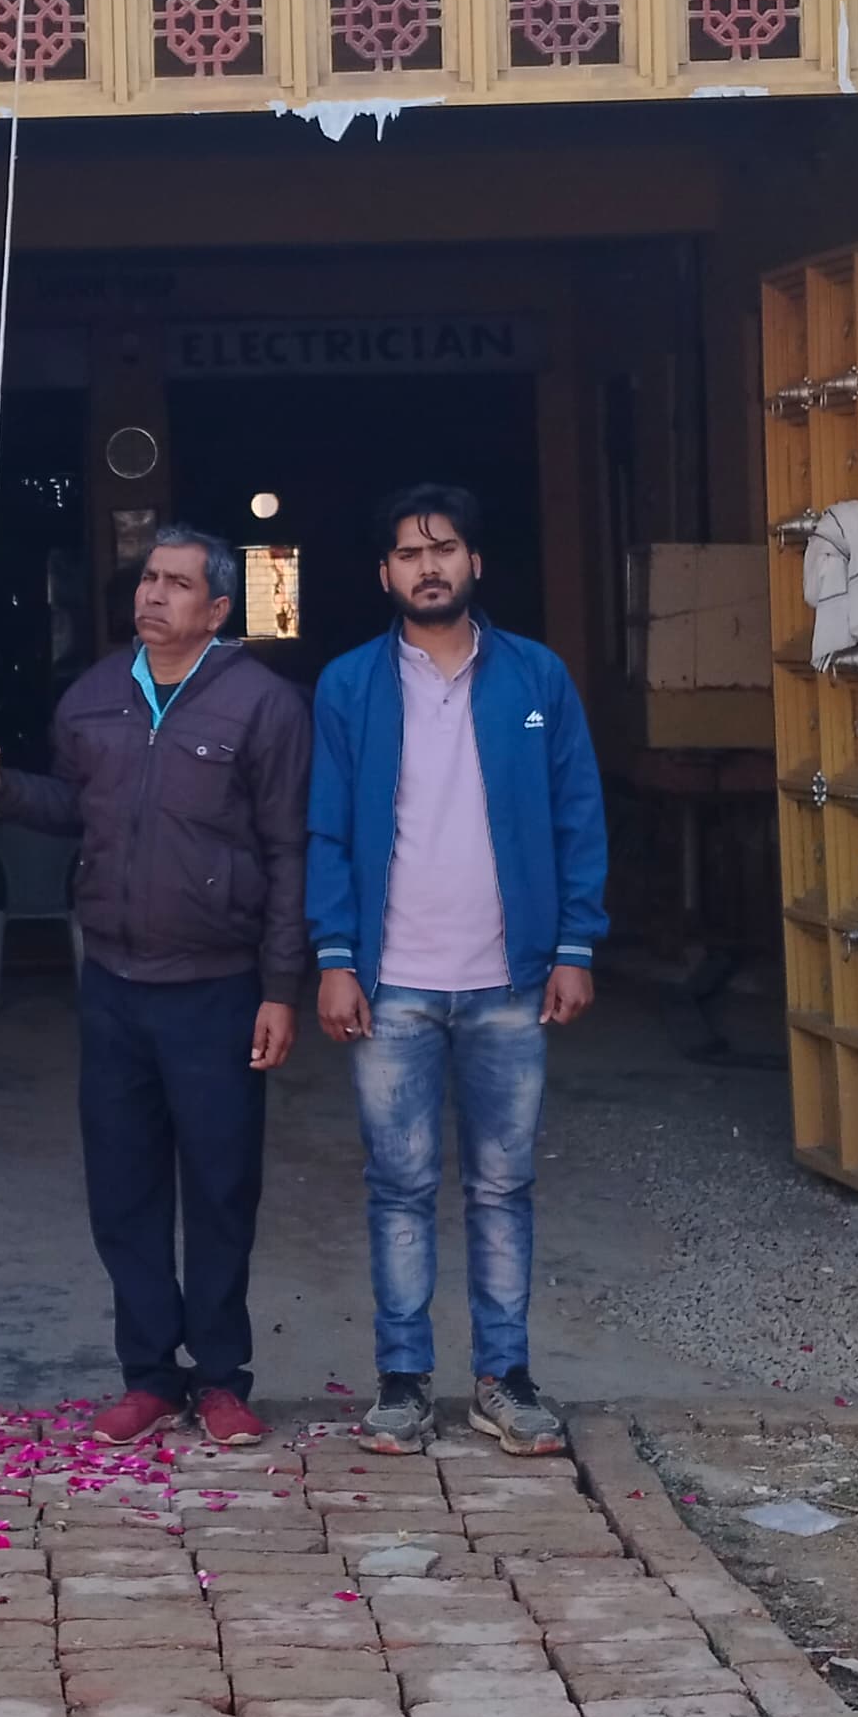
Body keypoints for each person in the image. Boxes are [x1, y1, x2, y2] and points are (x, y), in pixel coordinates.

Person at [0, 522, 310, 1451]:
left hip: (219, 984)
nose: (153, 594)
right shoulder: (94, 696)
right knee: (123, 1188)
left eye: (177, 583)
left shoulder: (264, 705)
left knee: (221, 1187)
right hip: (112, 980)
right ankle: (150, 1375)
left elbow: (287, 850)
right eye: (149, 578)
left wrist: (282, 987)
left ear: (219, 608)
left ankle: (222, 1377)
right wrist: (3, 787)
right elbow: (79, 809)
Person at [307, 482, 607, 1459]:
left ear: (474, 562)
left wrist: (574, 945)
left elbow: (576, 812)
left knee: (500, 1186)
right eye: (408, 551)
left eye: (442, 548)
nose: (427, 565)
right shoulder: (350, 685)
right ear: (383, 574)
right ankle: (402, 1383)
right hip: (390, 981)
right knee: (397, 1185)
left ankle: (501, 1379)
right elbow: (326, 829)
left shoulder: (534, 678)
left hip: (506, 982)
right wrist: (335, 957)